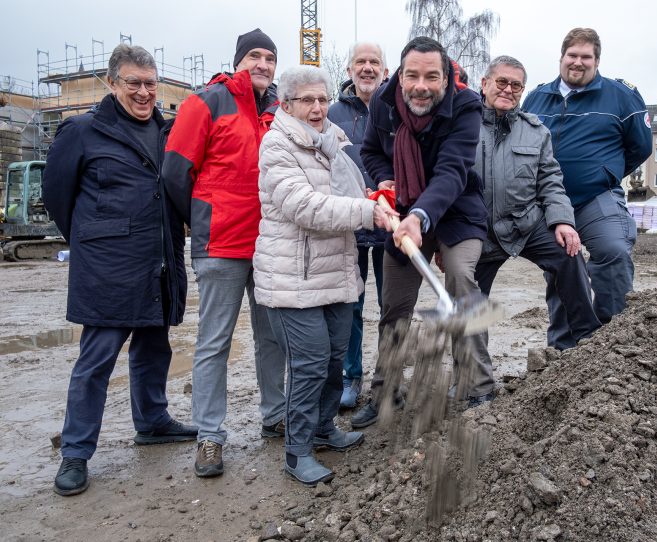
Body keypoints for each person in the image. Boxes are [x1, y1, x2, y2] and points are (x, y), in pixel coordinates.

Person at [43, 44, 196, 496]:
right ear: (112, 84)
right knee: (96, 360)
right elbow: (57, 198)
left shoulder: (166, 132)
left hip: (159, 261)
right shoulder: (83, 131)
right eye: (134, 83)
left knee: (154, 348)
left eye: (151, 83)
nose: (144, 92)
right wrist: (97, 242)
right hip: (108, 267)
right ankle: (75, 452)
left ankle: (152, 421)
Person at [253, 66, 395, 486]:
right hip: (293, 276)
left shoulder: (332, 141)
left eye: (322, 99)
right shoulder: (276, 145)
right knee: (310, 363)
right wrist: (368, 212)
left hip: (334, 271)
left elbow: (352, 191)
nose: (317, 108)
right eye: (307, 101)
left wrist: (377, 196)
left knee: (334, 359)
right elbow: (306, 207)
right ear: (287, 104)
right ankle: (297, 453)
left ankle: (324, 428)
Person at [351, 36, 492, 430]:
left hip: (457, 209)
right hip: (402, 210)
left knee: (462, 280)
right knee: (394, 301)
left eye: (432, 76)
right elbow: (370, 151)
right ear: (400, 75)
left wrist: (421, 215)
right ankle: (386, 391)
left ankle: (477, 384)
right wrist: (387, 180)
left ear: (445, 78)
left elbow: (452, 170)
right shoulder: (383, 102)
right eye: (412, 75)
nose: (421, 85)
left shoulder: (465, 106)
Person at [162, 28, 286, 478]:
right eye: (254, 56)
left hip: (270, 242)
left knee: (272, 336)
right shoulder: (208, 101)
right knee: (214, 342)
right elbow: (175, 169)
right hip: (220, 243)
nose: (263, 65)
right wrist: (199, 217)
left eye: (270, 58)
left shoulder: (278, 107)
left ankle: (275, 415)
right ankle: (210, 436)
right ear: (238, 60)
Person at [522, 27, 652, 349]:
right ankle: (565, 345)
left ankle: (611, 338)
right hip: (550, 202)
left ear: (597, 61)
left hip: (595, 196)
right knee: (562, 260)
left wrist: (606, 171)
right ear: (562, 57)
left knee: (612, 249)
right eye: (572, 55)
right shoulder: (537, 97)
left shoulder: (621, 95)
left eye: (586, 57)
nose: (578, 62)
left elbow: (640, 146)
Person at [473, 55, 601, 348]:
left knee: (569, 255)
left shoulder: (536, 131)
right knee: (468, 300)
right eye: (501, 82)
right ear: (484, 84)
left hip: (525, 224)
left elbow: (551, 180)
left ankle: (586, 342)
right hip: (477, 233)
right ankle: (474, 379)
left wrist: (563, 221)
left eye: (516, 85)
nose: (508, 89)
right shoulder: (462, 128)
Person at [327, 42, 389, 409]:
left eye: (374, 62)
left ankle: (387, 376)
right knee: (350, 304)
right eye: (360, 62)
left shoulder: (396, 109)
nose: (367, 68)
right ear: (350, 70)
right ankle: (351, 376)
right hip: (348, 225)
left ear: (384, 69)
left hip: (388, 222)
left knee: (391, 303)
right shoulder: (332, 112)